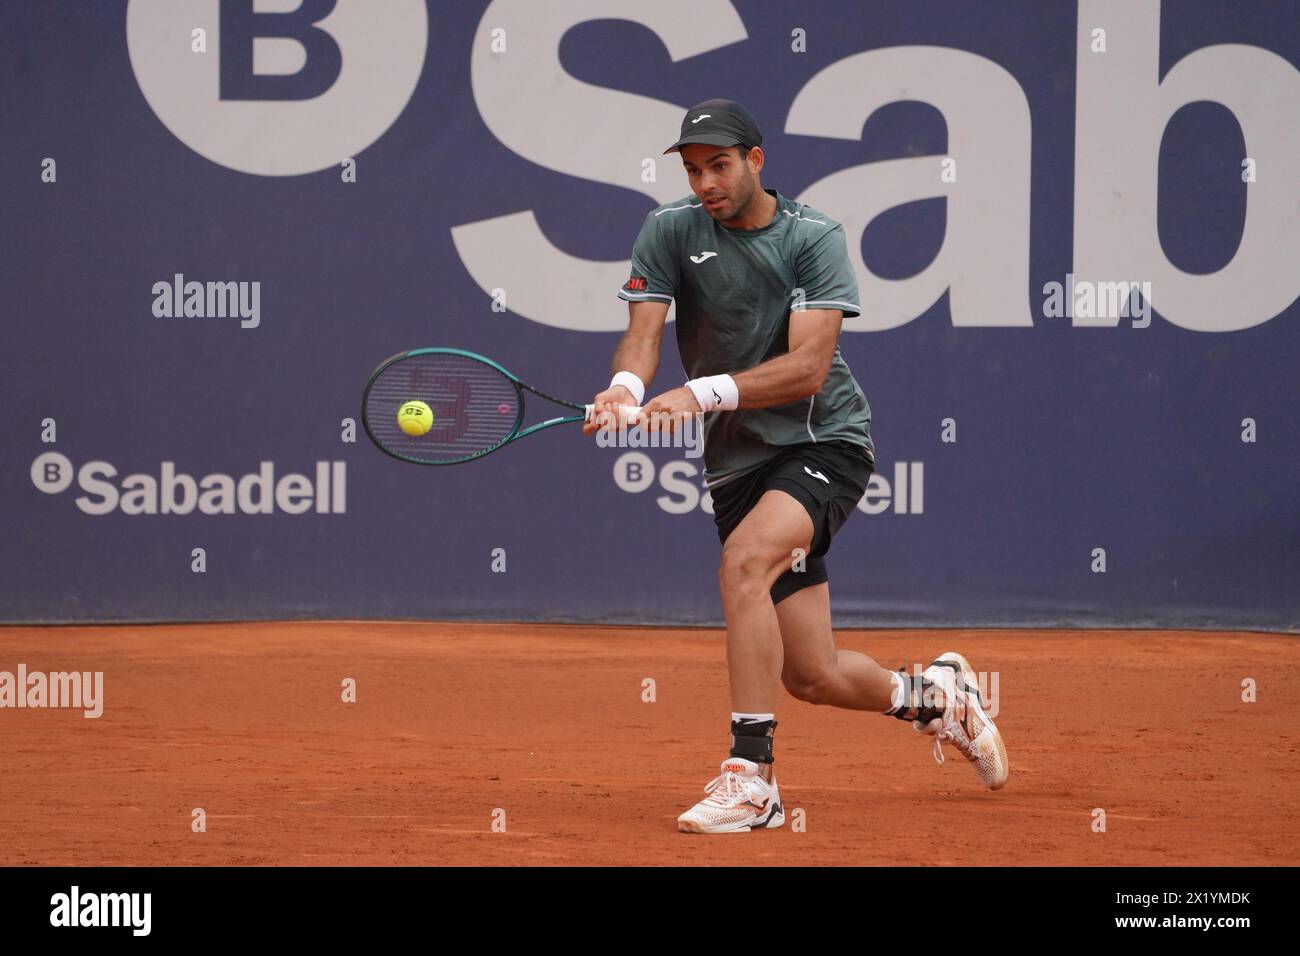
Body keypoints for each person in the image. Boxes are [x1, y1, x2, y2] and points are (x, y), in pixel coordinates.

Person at [584, 98, 1008, 833]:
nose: (705, 183)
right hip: (736, 461)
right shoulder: (669, 231)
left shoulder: (814, 236)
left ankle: (753, 782)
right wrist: (624, 390)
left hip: (823, 440)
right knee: (812, 673)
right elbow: (643, 335)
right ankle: (940, 699)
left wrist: (699, 392)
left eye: (719, 165)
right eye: (692, 170)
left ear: (756, 160)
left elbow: (810, 367)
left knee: (745, 564)